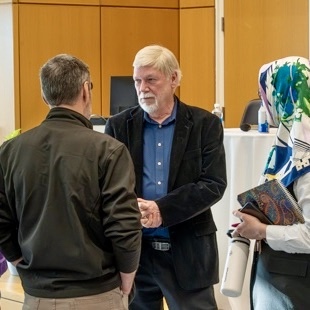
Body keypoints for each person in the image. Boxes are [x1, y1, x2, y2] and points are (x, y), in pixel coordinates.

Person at [0, 54, 142, 310]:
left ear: (45, 98)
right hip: (97, 294)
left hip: (35, 297)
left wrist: (17, 258)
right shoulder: (109, 150)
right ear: (85, 90)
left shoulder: (10, 151)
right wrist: (127, 280)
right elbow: (124, 225)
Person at [105, 45, 227, 310]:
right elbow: (106, 185)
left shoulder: (205, 124)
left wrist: (162, 209)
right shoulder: (117, 125)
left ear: (173, 79)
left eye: (151, 80)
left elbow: (213, 184)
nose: (142, 88)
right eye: (137, 80)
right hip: (135, 253)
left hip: (187, 250)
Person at [232, 56, 310, 309]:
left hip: (295, 285)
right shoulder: (288, 143)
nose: (265, 102)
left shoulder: (304, 153)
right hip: (283, 279)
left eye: (266, 93)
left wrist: (262, 231)